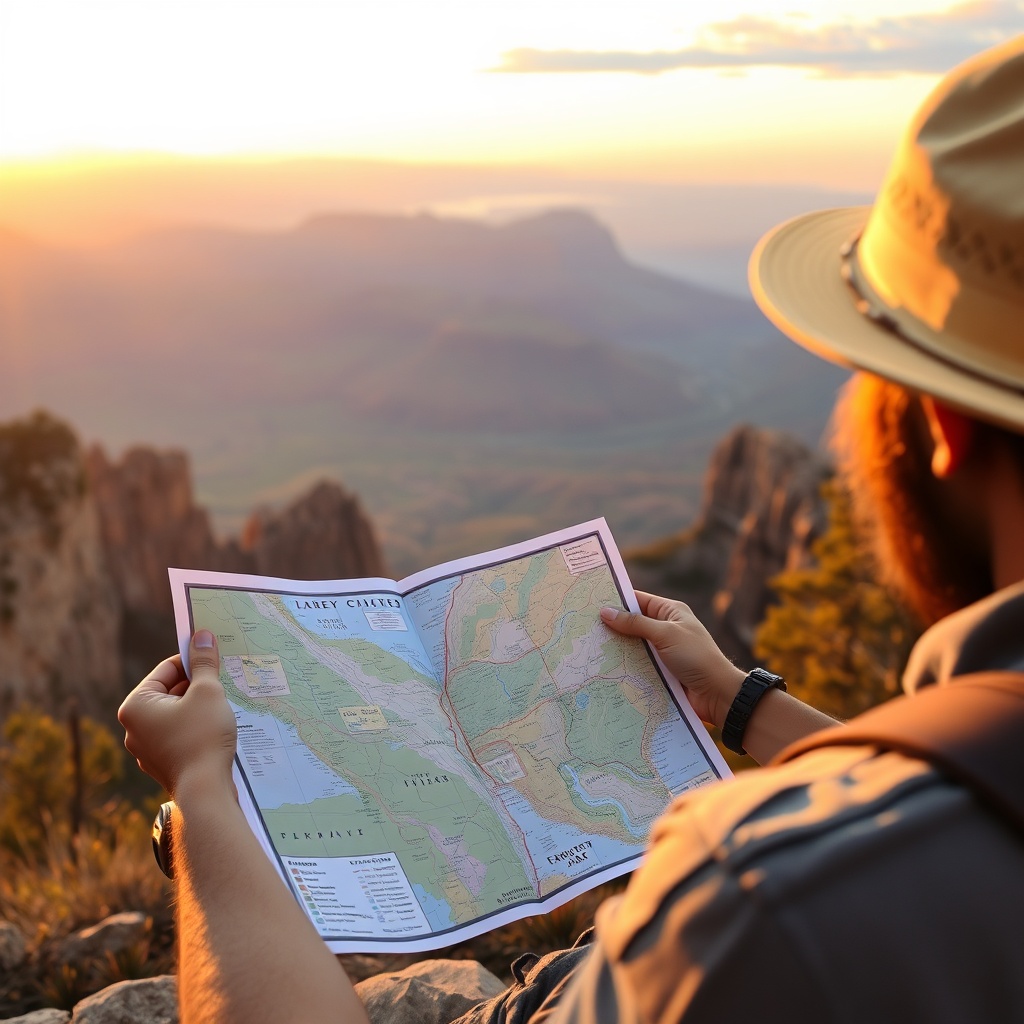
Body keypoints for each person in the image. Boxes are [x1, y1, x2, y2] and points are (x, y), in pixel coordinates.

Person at [119, 35, 1024, 1024]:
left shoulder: (762, 903)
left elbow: (891, 852)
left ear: (941, 421)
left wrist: (204, 798)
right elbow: (955, 811)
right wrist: (738, 700)